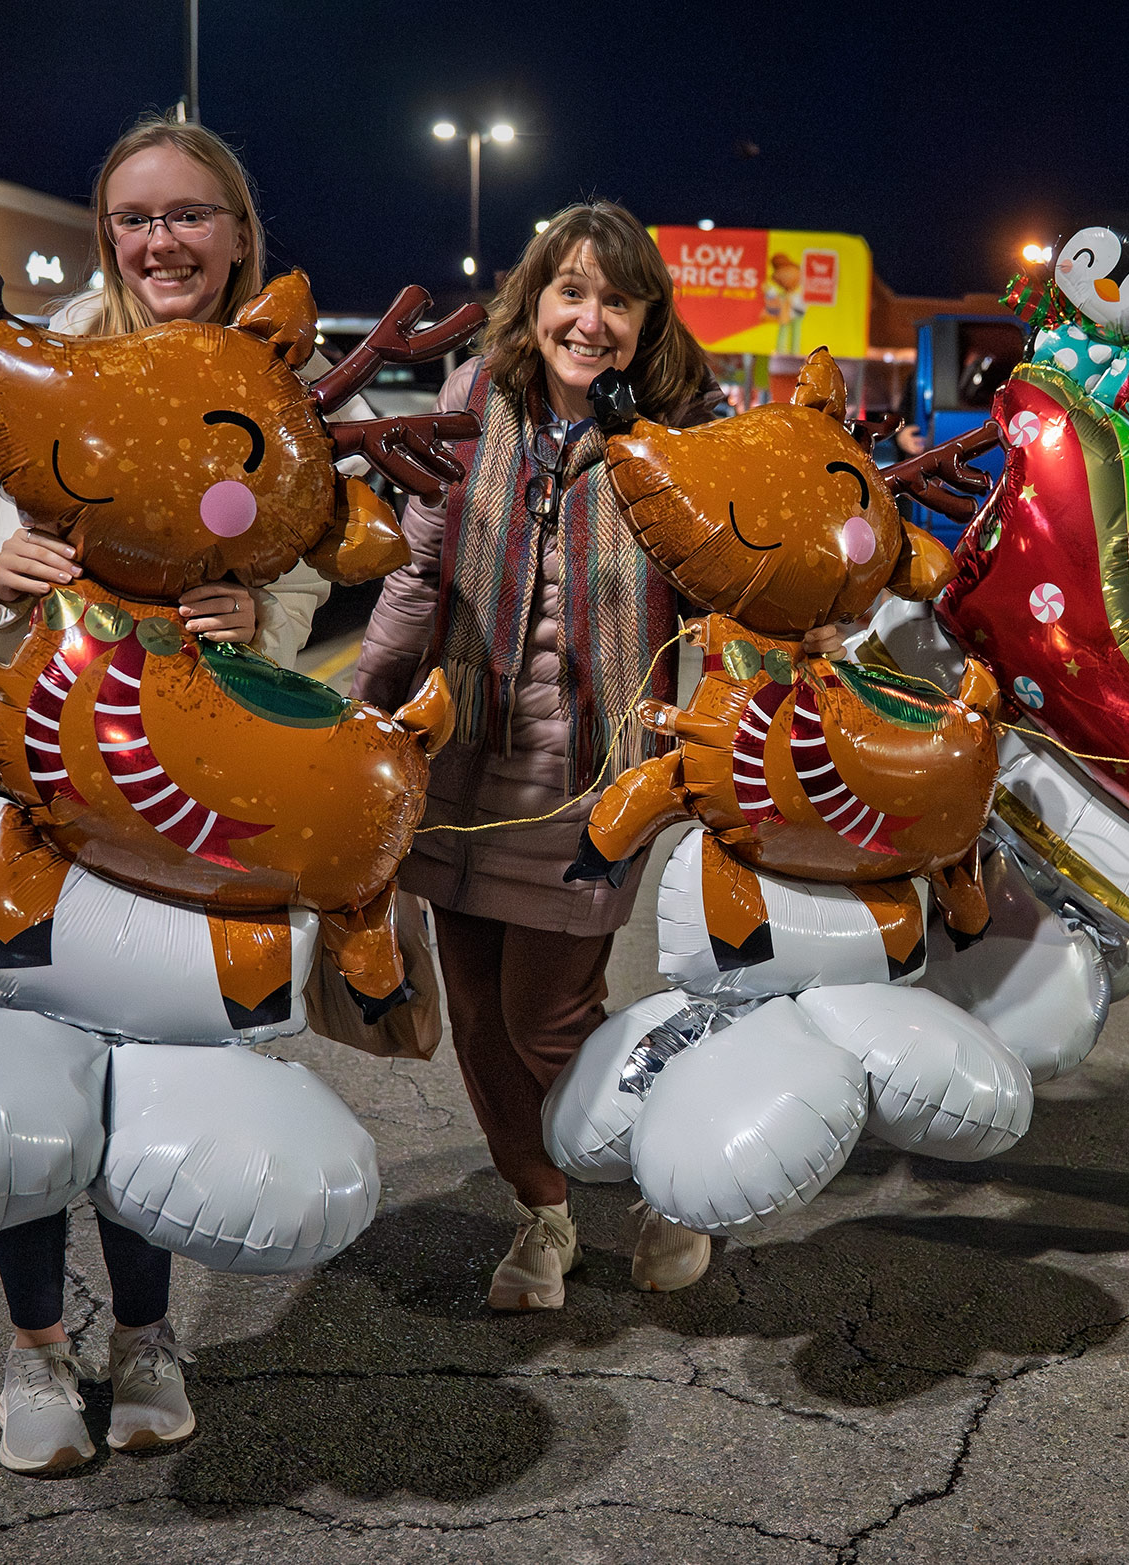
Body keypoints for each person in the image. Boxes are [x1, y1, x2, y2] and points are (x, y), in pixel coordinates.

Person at [0, 115, 350, 1473]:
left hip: (172, 787)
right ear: (104, 234)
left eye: (189, 214)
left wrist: (264, 610)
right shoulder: (30, 362)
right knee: (16, 1079)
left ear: (238, 230)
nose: (160, 241)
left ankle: (143, 1334)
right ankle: (31, 1347)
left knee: (149, 1077)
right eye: (134, 218)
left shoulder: (275, 378)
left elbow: (310, 564)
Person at [356, 202, 840, 1310]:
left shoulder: (684, 429)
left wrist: (806, 625)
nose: (591, 317)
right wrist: (365, 698)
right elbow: (421, 567)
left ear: (647, 317)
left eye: (616, 297)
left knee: (550, 1010)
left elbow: (744, 579)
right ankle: (543, 1215)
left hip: (590, 766)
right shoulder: (474, 403)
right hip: (460, 749)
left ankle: (669, 1174)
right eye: (570, 291)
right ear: (533, 302)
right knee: (476, 1012)